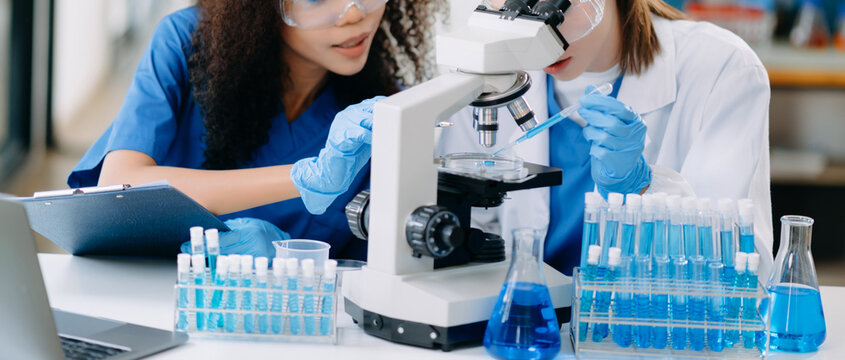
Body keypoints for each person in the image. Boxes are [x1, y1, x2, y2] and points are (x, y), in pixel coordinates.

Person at [67, 0, 445, 259]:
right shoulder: (185, 45)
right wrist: (304, 178)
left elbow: (367, 275)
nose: (351, 14)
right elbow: (119, 186)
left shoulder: (373, 117)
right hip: (141, 302)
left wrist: (293, 261)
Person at [437, 0, 773, 279]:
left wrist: (643, 186)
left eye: (548, 8)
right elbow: (470, 228)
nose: (537, 41)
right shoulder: (490, 73)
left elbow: (742, 271)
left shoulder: (722, 69)